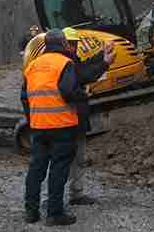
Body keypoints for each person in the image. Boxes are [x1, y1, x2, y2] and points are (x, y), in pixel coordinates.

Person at [21, 28, 112, 226]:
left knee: (36, 168)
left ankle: (31, 212)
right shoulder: (65, 63)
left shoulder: (33, 66)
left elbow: (24, 97)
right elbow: (68, 90)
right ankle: (54, 213)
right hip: (61, 125)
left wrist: (33, 119)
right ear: (63, 44)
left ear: (45, 44)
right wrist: (84, 96)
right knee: (58, 169)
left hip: (39, 127)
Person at [62, 27, 111, 207]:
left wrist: (101, 55)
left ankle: (76, 193)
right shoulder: (63, 65)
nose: (73, 47)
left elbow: (84, 67)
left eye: (75, 43)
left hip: (77, 119)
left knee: (79, 158)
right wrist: (104, 63)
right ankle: (57, 197)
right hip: (65, 121)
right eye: (70, 43)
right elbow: (84, 75)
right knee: (64, 160)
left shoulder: (73, 61)